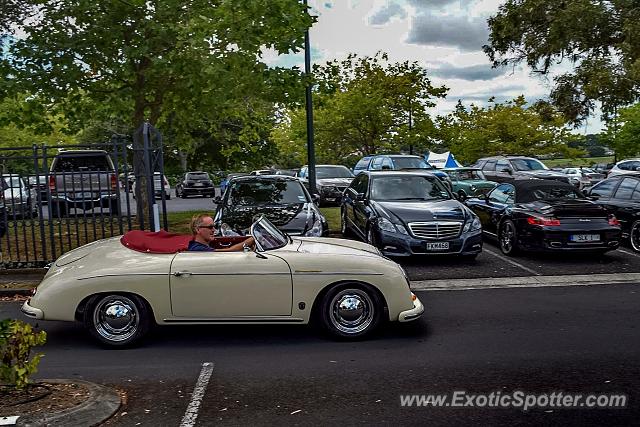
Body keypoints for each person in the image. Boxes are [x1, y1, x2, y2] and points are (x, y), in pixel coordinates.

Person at [188, 214, 255, 252]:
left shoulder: (202, 245)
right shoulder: (197, 249)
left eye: (214, 226)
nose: (214, 230)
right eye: (210, 227)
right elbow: (226, 252)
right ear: (197, 229)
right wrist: (248, 241)